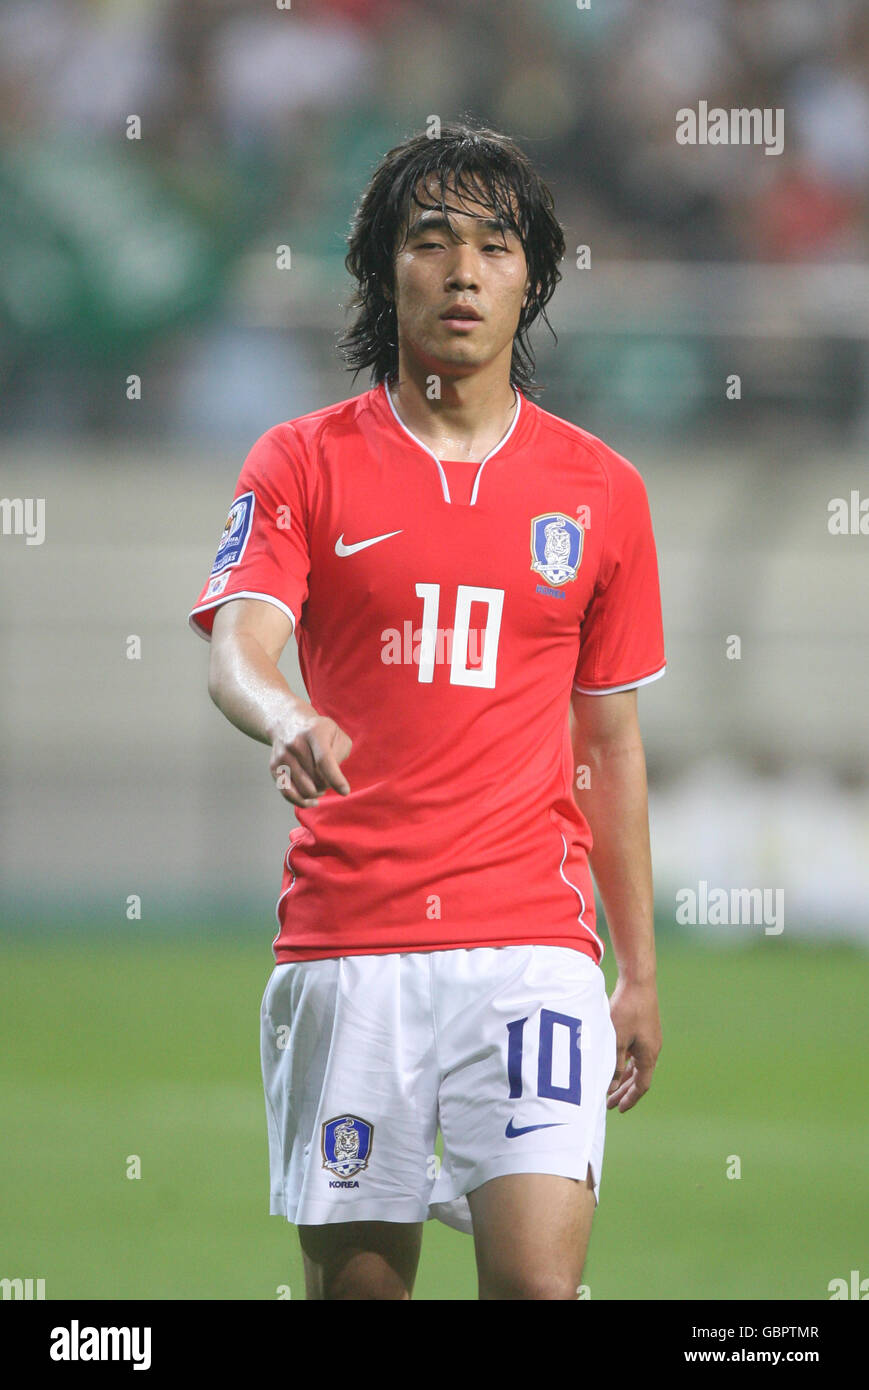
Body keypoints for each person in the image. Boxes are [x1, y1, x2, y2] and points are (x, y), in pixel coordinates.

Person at [189, 122, 666, 1301]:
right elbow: (240, 645)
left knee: (537, 1290)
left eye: (495, 246)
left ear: (532, 279)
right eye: (431, 239)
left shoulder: (602, 493)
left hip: (532, 948)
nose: (461, 270)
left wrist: (639, 970)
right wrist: (283, 713)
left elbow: (605, 741)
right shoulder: (299, 463)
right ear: (380, 267)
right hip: (352, 945)